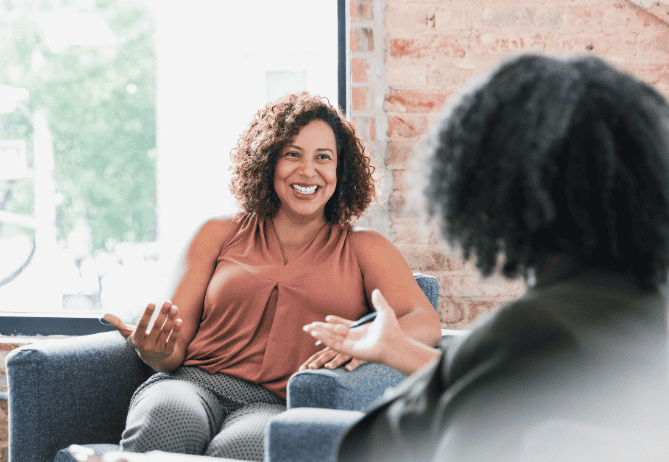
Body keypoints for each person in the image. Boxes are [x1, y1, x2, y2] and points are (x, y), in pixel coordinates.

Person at [305, 54, 669, 461]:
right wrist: (396, 349)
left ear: (494, 188)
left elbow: (372, 448)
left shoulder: (535, 330)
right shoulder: (643, 309)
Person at [102, 92, 442, 461]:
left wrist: (367, 337)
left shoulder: (365, 248)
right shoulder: (216, 233)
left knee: (242, 447)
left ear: (340, 171)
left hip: (277, 403)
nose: (307, 171)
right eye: (292, 154)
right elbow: (173, 351)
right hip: (192, 383)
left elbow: (425, 323)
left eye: (323, 158)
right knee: (166, 419)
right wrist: (156, 351)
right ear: (268, 162)